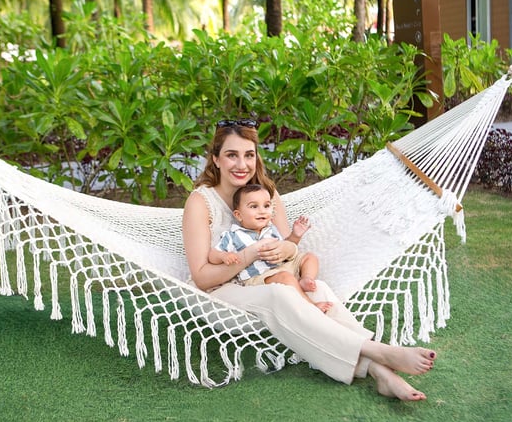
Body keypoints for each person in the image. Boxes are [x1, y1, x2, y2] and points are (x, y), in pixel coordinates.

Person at [182, 118, 437, 401]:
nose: (242, 164)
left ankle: (381, 373)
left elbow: (289, 244)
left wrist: (285, 251)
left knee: (318, 290)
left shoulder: (266, 193)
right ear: (215, 159)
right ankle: (378, 351)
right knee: (279, 295)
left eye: (249, 154)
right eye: (231, 155)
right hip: (221, 291)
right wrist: (248, 255)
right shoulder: (201, 202)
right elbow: (203, 278)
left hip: (271, 276)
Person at [208, 183, 332, 313]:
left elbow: (286, 246)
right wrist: (224, 256)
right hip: (259, 277)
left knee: (309, 257)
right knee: (285, 277)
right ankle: (311, 305)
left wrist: (295, 235)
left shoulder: (271, 229)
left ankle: (306, 279)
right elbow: (213, 254)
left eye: (266, 206)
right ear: (238, 215)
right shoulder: (233, 235)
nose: (262, 210)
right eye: (254, 206)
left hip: (283, 266)